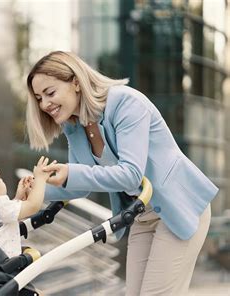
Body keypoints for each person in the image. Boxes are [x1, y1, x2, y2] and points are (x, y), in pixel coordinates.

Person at [24, 51, 218, 295]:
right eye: (39, 98)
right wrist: (36, 190)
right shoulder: (75, 126)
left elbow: (130, 174)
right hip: (142, 213)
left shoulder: (126, 103)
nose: (44, 104)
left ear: (75, 82)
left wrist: (70, 172)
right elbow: (80, 185)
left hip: (179, 206)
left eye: (50, 93)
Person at [0, 156, 51, 258]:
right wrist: (41, 179)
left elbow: (6, 220)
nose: (2, 179)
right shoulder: (0, 206)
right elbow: (33, 206)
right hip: (7, 266)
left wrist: (18, 198)